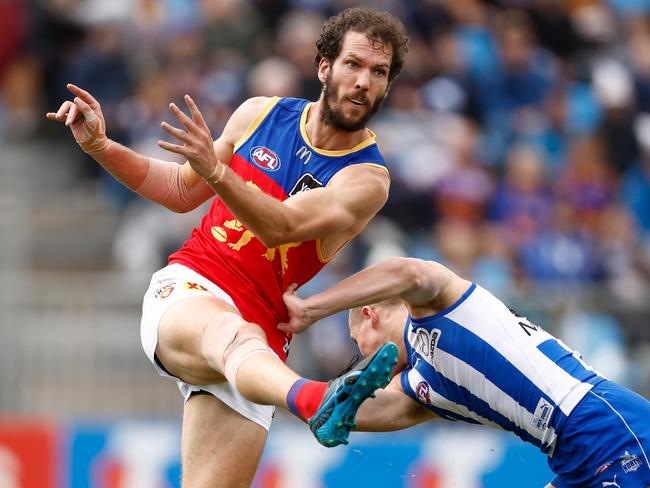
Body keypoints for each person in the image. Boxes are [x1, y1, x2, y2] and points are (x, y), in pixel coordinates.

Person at [46, 8, 409, 487]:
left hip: (260, 354)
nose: (363, 81)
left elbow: (280, 226)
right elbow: (179, 190)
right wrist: (99, 145)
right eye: (353, 65)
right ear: (325, 66)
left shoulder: (366, 179)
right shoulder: (260, 113)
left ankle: (308, 396)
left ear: (387, 85)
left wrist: (217, 173)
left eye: (378, 73)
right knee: (233, 335)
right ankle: (316, 400)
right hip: (192, 291)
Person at [280, 257, 650, 488]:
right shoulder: (422, 382)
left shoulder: (436, 308)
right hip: (571, 455)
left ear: (369, 315)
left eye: (356, 341)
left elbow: (405, 271)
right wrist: (302, 398)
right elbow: (359, 412)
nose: (358, 356)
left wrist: (313, 308)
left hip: (606, 428)